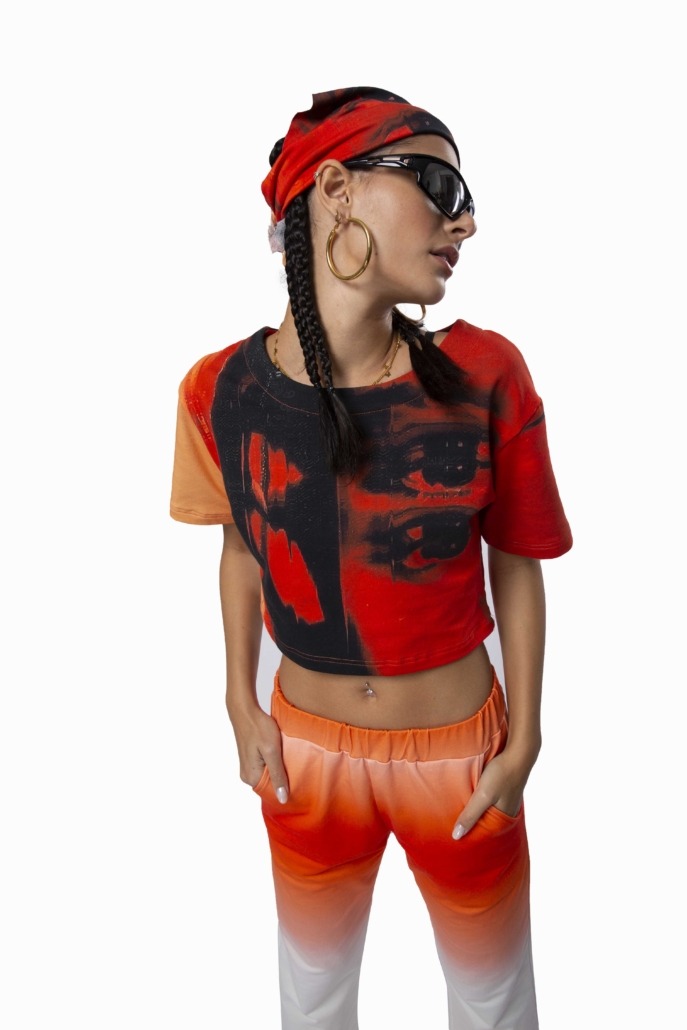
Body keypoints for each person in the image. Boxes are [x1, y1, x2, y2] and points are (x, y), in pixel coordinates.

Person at [170, 86, 572, 1030]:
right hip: (303, 754)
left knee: (493, 999)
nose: (464, 221)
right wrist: (237, 701)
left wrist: (524, 738)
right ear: (336, 189)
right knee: (311, 998)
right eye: (439, 186)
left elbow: (517, 560)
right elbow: (241, 548)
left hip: (458, 758)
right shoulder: (217, 389)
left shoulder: (485, 374)